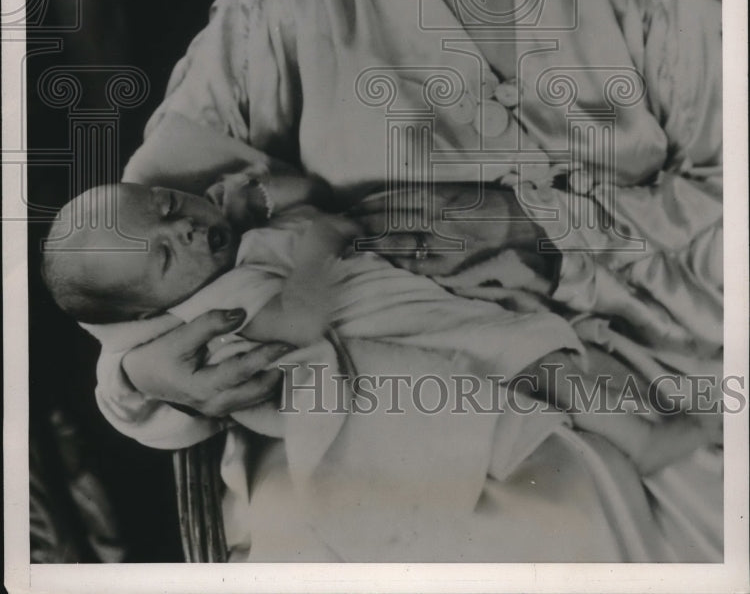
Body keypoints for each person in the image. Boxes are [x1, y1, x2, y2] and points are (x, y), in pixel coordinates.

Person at [88, 0, 722, 561]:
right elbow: (133, 234)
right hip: (379, 405)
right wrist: (145, 367)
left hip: (649, 386)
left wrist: (539, 230)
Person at [43, 177, 719, 561]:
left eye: (169, 207)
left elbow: (307, 192)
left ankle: (636, 427)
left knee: (550, 353)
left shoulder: (235, 240)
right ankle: (642, 439)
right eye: (165, 255)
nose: (187, 230)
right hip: (405, 355)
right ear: (149, 308)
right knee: (540, 360)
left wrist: (268, 201)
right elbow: (298, 323)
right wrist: (317, 247)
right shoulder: (216, 304)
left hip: (429, 311)